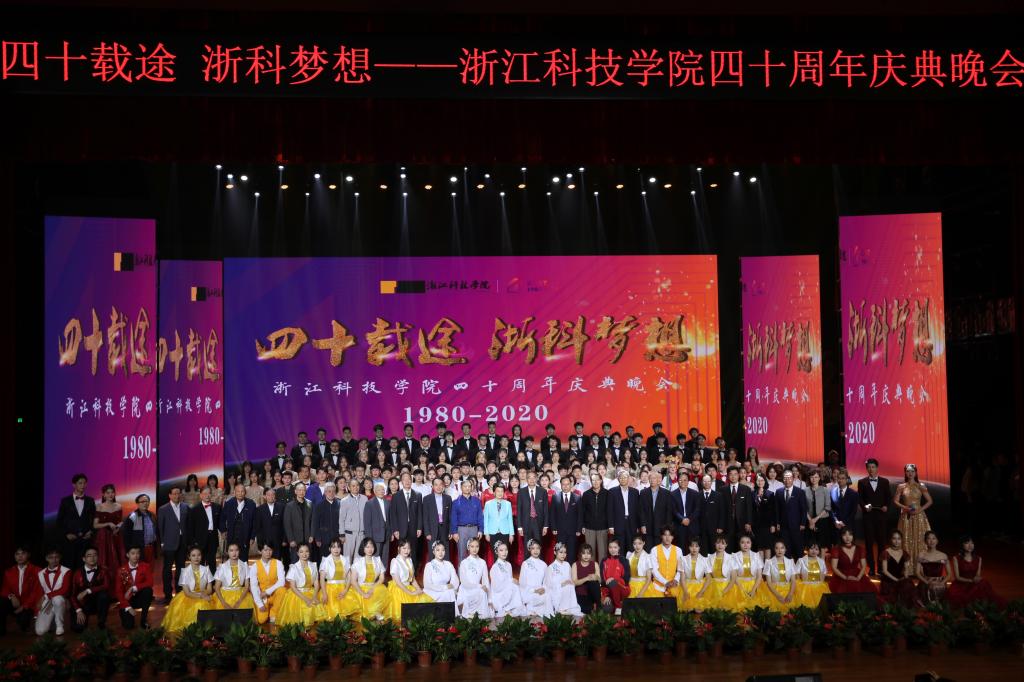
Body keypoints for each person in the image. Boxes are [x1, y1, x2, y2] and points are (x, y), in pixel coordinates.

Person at [162, 547, 212, 633]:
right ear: (189, 557)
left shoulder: (206, 569)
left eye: (199, 555)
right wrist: (201, 596)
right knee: (197, 606)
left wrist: (205, 594)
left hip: (204, 594)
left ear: (201, 556)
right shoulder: (185, 571)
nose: (196, 558)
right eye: (193, 555)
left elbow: (210, 589)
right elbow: (187, 593)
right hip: (189, 596)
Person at [277, 543, 328, 626]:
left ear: (309, 552)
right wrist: (306, 599)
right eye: (301, 552)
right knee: (304, 612)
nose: (304, 554)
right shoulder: (294, 567)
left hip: (311, 592)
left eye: (306, 551)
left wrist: (314, 597)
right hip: (298, 594)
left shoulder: (313, 565)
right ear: (297, 553)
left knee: (317, 606)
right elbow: (293, 587)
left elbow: (316, 584)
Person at [947, 535, 1005, 609]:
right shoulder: (956, 558)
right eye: (967, 543)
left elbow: (978, 574)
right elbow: (957, 577)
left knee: (984, 583)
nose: (970, 545)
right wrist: (971, 580)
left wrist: (977, 579)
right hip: (961, 584)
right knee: (956, 598)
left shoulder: (978, 558)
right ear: (962, 545)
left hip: (974, 583)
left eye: (972, 543)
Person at [857, 459, 891, 576]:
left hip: (881, 516)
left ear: (877, 468)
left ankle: (881, 568)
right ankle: (871, 567)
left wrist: (886, 506)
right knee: (869, 543)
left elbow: (888, 497)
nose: (871, 469)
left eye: (873, 467)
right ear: (867, 469)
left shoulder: (885, 481)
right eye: (869, 467)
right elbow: (860, 499)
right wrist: (865, 507)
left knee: (882, 543)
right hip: (868, 517)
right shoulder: (862, 482)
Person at [895, 464, 933, 569]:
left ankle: (920, 567)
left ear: (915, 473)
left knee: (919, 539)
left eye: (912, 471)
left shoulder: (921, 486)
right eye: (908, 471)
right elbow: (895, 501)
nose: (910, 473)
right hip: (906, 516)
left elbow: (930, 501)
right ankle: (908, 567)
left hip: (919, 517)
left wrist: (920, 509)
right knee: (906, 539)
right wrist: (905, 507)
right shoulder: (901, 486)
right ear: (905, 473)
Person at [387, 539, 433, 621]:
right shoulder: (395, 561)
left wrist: (419, 589)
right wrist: (410, 593)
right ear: (399, 548)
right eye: (404, 548)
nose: (406, 550)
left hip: (408, 587)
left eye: (408, 548)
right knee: (404, 615)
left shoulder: (409, 560)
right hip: (399, 589)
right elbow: (398, 582)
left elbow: (412, 579)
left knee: (425, 600)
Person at [57, 474, 95, 571]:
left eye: (84, 483)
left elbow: (94, 519)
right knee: (69, 566)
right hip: (70, 540)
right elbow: (59, 521)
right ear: (74, 485)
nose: (83, 485)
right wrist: (66, 534)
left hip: (85, 540)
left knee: (84, 568)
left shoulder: (90, 501)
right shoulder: (65, 501)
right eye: (80, 483)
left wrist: (91, 532)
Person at [157, 486, 188, 603]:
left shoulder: (185, 507)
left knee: (181, 569)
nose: (177, 495)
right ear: (169, 495)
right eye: (174, 493)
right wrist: (162, 543)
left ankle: (180, 592)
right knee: (167, 569)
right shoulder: (163, 509)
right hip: (169, 542)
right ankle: (168, 595)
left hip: (183, 542)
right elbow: (160, 528)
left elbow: (188, 525)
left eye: (178, 493)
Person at [1, 546, 41, 636]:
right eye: (17, 554)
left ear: (28, 555)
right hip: (15, 603)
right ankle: (1, 631)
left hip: (29, 605)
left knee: (23, 623)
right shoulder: (9, 572)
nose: (20, 556)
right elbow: (5, 589)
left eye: (23, 553)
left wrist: (24, 606)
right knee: (1, 602)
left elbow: (36, 593)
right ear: (14, 556)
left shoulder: (37, 570)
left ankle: (25, 624)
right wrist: (11, 596)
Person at [318, 537, 361, 619]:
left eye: (338, 547)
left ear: (341, 548)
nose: (336, 549)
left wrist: (345, 590)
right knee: (333, 614)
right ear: (329, 549)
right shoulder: (326, 561)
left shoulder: (345, 559)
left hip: (343, 587)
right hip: (330, 589)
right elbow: (322, 579)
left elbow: (349, 577)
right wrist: (324, 593)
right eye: (333, 547)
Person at [70, 548, 110, 632]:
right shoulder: (77, 573)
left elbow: (106, 586)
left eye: (95, 555)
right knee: (78, 629)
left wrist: (88, 590)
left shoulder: (103, 570)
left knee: (104, 596)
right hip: (82, 604)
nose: (92, 558)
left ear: (98, 557)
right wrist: (78, 610)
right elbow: (72, 594)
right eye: (89, 555)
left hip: (97, 603)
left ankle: (101, 622)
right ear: (84, 559)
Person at [350, 538, 390, 620]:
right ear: (363, 548)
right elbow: (353, 581)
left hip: (373, 586)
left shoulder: (378, 560)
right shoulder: (357, 561)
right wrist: (363, 593)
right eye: (367, 547)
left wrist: (372, 588)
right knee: (363, 600)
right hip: (360, 587)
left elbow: (382, 578)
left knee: (380, 591)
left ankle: (375, 612)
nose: (370, 549)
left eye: (372, 547)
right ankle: (373, 612)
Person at [389, 474, 423, 570]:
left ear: (411, 481)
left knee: (413, 550)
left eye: (409, 479)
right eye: (405, 480)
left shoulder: (418, 495)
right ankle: (401, 571)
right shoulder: (396, 496)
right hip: (400, 529)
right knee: (401, 550)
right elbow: (393, 514)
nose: (407, 481)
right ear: (401, 482)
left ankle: (413, 572)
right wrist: (395, 529)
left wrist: (419, 527)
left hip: (414, 528)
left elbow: (420, 513)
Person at [721, 534, 763, 612]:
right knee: (737, 607)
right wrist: (742, 590)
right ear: (739, 544)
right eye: (742, 542)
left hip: (754, 584)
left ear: (751, 544)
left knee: (756, 607)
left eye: (748, 542)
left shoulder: (756, 556)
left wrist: (753, 590)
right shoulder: (734, 556)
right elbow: (734, 576)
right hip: (738, 584)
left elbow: (759, 576)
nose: (745, 545)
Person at [828, 528, 877, 594]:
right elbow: (834, 567)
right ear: (841, 536)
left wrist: (858, 578)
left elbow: (864, 566)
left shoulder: (860, 549)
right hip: (841, 575)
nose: (847, 537)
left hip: (857, 574)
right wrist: (846, 578)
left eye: (850, 534)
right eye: (844, 535)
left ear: (853, 536)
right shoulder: (836, 549)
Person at [35, 549, 71, 635]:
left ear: (60, 558)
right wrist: (36, 612)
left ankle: (59, 625)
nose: (54, 560)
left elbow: (64, 589)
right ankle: (51, 622)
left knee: (57, 599)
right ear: (46, 558)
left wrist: (46, 596)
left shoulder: (66, 571)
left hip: (61, 600)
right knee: (40, 631)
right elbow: (39, 592)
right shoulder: (40, 573)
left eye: (56, 557)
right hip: (48, 602)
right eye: (51, 557)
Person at [117, 546, 154, 630]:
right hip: (128, 600)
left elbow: (150, 583)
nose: (136, 556)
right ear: (127, 555)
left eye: (138, 553)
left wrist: (133, 588)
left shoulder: (145, 566)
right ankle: (125, 612)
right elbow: (118, 592)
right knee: (128, 626)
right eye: (133, 553)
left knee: (148, 590)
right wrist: (128, 607)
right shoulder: (121, 570)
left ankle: (143, 620)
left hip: (140, 597)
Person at [93, 484, 124, 583]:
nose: (110, 495)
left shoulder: (118, 506)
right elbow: (95, 525)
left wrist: (118, 527)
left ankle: (118, 584)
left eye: (112, 492)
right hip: (104, 538)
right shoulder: (99, 507)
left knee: (118, 559)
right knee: (105, 560)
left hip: (116, 536)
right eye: (108, 493)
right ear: (103, 494)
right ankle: (105, 583)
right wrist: (108, 523)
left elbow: (120, 522)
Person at [213, 542, 255, 614]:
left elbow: (247, 586)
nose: (234, 553)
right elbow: (217, 587)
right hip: (225, 594)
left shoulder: (244, 566)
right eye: (231, 550)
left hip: (241, 594)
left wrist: (239, 601)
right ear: (227, 552)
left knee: (242, 612)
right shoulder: (222, 567)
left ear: (239, 551)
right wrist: (223, 603)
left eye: (236, 550)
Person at [649, 526, 686, 610]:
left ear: (673, 537)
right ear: (661, 536)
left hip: (673, 584)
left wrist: (676, 580)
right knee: (657, 608)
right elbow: (654, 570)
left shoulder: (678, 550)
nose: (667, 537)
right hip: (658, 585)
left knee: (675, 607)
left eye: (670, 535)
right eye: (665, 535)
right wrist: (665, 582)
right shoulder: (654, 550)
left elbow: (680, 569)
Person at [185, 487, 221, 570]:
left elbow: (220, 523)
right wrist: (193, 542)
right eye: (205, 494)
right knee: (200, 562)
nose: (207, 495)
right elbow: (190, 527)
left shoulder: (217, 507)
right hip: (199, 540)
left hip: (213, 538)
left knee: (212, 561)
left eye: (209, 493)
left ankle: (212, 578)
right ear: (201, 495)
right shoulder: (194, 509)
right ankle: (201, 578)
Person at [456, 537, 492, 618]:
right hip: (466, 588)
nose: (474, 549)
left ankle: (478, 614)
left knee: (482, 592)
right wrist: (478, 586)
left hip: (479, 588)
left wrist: (489, 598)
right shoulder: (464, 562)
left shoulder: (482, 562)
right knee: (478, 591)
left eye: (477, 546)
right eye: (472, 546)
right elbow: (463, 581)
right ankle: (469, 613)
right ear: (468, 547)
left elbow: (485, 580)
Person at [879, 530, 917, 608]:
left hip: (900, 579)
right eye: (894, 538)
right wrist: (897, 580)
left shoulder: (904, 553)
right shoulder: (886, 553)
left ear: (901, 540)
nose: (897, 541)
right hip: (889, 581)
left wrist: (905, 578)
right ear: (890, 540)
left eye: (899, 539)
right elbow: (885, 571)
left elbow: (906, 569)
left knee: (908, 585)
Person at [547, 477, 581, 564]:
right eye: (563, 484)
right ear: (560, 485)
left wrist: (578, 529)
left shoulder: (577, 498)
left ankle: (570, 570)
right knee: (560, 552)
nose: (565, 486)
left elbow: (580, 515)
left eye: (567, 484)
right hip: (560, 530)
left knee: (572, 553)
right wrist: (553, 528)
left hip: (573, 531)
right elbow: (552, 514)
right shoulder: (555, 497)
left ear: (571, 484)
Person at [251, 542, 285, 625]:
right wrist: (260, 604)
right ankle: (267, 608)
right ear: (260, 551)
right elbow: (254, 586)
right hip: (262, 596)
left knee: (282, 590)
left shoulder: (278, 563)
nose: (268, 552)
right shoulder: (254, 566)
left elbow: (282, 582)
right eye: (265, 550)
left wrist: (267, 592)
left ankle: (273, 612)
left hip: (274, 594)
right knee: (261, 620)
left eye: (270, 550)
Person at [517, 472, 549, 560]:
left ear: (536, 479)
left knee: (538, 545)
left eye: (533, 477)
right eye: (529, 477)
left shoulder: (543, 491)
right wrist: (519, 526)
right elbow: (519, 510)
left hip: (539, 524)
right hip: (526, 524)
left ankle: (539, 565)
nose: (531, 480)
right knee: (527, 546)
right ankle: (528, 565)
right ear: (526, 479)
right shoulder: (521, 492)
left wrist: (545, 525)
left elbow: (546, 510)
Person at [775, 471, 808, 558]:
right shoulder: (778, 492)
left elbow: (804, 509)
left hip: (797, 525)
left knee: (798, 550)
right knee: (786, 550)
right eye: (785, 478)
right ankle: (788, 566)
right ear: (782, 479)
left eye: (789, 478)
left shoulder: (800, 492)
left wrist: (803, 523)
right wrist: (777, 522)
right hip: (783, 526)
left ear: (793, 479)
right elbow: (777, 509)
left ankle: (799, 566)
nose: (787, 480)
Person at [697, 535, 734, 610]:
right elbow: (708, 577)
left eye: (723, 543)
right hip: (712, 586)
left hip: (726, 587)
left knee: (724, 608)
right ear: (715, 544)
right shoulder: (709, 557)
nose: (720, 545)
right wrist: (702, 591)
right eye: (718, 543)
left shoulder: (731, 558)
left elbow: (733, 579)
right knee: (700, 609)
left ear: (726, 545)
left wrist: (723, 592)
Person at [640, 471, 674, 551]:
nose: (652, 480)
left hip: (661, 527)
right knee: (649, 550)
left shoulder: (666, 493)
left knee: (660, 550)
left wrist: (667, 527)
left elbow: (669, 512)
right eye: (650, 478)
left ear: (658, 480)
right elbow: (641, 510)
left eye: (654, 478)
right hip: (647, 527)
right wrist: (642, 525)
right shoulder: (643, 493)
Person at [489, 541, 525, 617]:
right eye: (501, 550)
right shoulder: (495, 567)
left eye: (506, 550)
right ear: (496, 552)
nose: (504, 552)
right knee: (513, 586)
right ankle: (505, 608)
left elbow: (510, 580)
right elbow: (496, 588)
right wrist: (510, 581)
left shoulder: (509, 565)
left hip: (508, 592)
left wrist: (512, 581)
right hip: (499, 595)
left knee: (517, 586)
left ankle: (512, 607)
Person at [545, 542, 582, 616]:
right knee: (566, 587)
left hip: (568, 589)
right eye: (561, 552)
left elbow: (570, 579)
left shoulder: (567, 564)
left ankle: (569, 607)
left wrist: (570, 582)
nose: (563, 554)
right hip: (556, 591)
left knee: (570, 586)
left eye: (565, 552)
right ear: (555, 552)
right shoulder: (551, 567)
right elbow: (548, 585)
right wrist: (561, 584)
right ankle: (560, 608)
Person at [722, 466, 754, 552]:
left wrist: (749, 522)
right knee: (728, 548)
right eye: (731, 474)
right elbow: (721, 509)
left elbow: (749, 508)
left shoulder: (746, 489)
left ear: (738, 475)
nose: (733, 476)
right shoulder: (722, 490)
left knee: (740, 548)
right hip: (727, 523)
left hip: (742, 523)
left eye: (735, 474)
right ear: (728, 476)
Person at [759, 541, 797, 612]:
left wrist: (790, 594)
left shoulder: (790, 562)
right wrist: (778, 596)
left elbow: (793, 581)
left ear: (785, 549)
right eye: (777, 548)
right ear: (774, 549)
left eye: (782, 548)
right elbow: (768, 582)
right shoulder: (769, 562)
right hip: (774, 590)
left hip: (788, 589)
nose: (780, 550)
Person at [519, 540, 553, 618]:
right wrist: (534, 590)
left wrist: (543, 589)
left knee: (548, 595)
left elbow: (546, 582)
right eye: (533, 548)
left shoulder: (544, 564)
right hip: (529, 592)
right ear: (529, 549)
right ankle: (531, 609)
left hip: (541, 591)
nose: (535, 550)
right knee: (533, 598)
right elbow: (522, 583)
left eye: (538, 548)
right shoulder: (525, 564)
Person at [222, 483, 257, 558]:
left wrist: (252, 537)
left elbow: (255, 522)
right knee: (232, 558)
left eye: (242, 491)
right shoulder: (229, 503)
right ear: (234, 492)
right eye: (238, 491)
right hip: (232, 535)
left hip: (245, 536)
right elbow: (222, 518)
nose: (240, 493)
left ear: (245, 493)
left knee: (243, 558)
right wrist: (223, 530)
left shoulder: (251, 504)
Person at [452, 479, 483, 563]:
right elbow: (453, 518)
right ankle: (461, 571)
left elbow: (480, 516)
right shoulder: (456, 502)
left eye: (469, 486)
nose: (467, 488)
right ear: (461, 488)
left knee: (474, 552)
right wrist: (454, 532)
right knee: (462, 553)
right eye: (465, 486)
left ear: (472, 487)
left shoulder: (477, 501)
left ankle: (474, 571)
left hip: (474, 529)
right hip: (461, 530)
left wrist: (480, 530)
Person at [422, 478, 452, 562]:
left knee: (445, 551)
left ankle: (446, 569)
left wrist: (450, 531)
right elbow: (425, 517)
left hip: (445, 529)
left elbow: (450, 516)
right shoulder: (427, 499)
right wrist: (427, 532)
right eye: (436, 485)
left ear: (443, 486)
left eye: (440, 484)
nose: (438, 487)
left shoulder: (448, 498)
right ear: (432, 486)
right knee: (433, 552)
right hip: (432, 530)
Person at [284, 482, 315, 564]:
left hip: (308, 538)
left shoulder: (309, 503)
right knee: (295, 562)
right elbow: (287, 524)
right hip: (295, 539)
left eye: (303, 490)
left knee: (308, 561)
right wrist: (291, 539)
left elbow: (312, 521)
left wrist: (312, 535)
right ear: (295, 491)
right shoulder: (289, 506)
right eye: (299, 490)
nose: (301, 492)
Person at [255, 488, 287, 564]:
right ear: (264, 496)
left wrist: (284, 539)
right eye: (268, 495)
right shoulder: (259, 509)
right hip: (265, 542)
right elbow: (258, 528)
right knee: (266, 562)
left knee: (278, 562)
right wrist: (260, 544)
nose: (271, 497)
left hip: (278, 540)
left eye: (273, 495)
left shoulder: (282, 507)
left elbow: (285, 524)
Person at [916, 531, 949, 605]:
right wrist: (927, 582)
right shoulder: (921, 555)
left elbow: (949, 573)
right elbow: (917, 573)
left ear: (937, 541)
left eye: (934, 538)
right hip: (926, 582)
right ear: (925, 541)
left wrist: (941, 583)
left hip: (940, 583)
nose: (931, 541)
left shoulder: (943, 555)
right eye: (929, 539)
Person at [830, 469, 859, 553]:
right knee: (837, 550)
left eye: (843, 478)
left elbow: (853, 511)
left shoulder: (854, 494)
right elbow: (831, 509)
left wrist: (844, 522)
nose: (840, 480)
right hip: (836, 526)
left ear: (847, 479)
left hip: (848, 526)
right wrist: (836, 521)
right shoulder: (832, 492)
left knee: (848, 550)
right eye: (839, 478)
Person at [671, 471, 701, 552]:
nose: (683, 482)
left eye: (685, 480)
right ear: (677, 481)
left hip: (692, 525)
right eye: (680, 480)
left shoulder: (695, 494)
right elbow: (673, 510)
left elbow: (697, 509)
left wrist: (689, 519)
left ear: (688, 481)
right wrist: (682, 519)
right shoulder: (672, 494)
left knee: (692, 549)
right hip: (679, 525)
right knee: (680, 550)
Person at [123, 494, 159, 564]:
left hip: (151, 547)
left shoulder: (152, 515)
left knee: (151, 568)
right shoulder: (134, 516)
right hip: (139, 549)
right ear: (137, 503)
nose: (145, 503)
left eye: (147, 501)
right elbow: (127, 535)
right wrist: (129, 550)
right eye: (142, 502)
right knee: (140, 568)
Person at [608, 470, 640, 546]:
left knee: (631, 547)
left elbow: (637, 510)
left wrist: (638, 525)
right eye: (621, 477)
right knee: (620, 546)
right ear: (618, 479)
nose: (623, 479)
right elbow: (609, 510)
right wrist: (611, 526)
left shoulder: (635, 492)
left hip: (632, 523)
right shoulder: (612, 491)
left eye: (625, 477)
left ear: (628, 478)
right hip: (618, 523)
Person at [363, 484, 392, 569]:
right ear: (375, 492)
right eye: (379, 490)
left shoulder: (388, 502)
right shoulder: (369, 503)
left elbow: (390, 519)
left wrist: (391, 533)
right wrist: (369, 538)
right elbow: (367, 522)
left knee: (385, 557)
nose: (381, 491)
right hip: (375, 536)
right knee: (375, 557)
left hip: (386, 534)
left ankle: (383, 575)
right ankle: (375, 575)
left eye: (383, 490)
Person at [339, 479, 367, 565]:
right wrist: (342, 534)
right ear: (349, 488)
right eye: (353, 486)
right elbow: (341, 519)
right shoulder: (344, 501)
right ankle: (347, 574)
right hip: (349, 534)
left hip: (361, 534)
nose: (355, 487)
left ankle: (356, 574)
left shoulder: (364, 498)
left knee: (359, 559)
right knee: (347, 559)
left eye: (357, 485)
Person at [794, 543, 830, 608]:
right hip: (804, 587)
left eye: (816, 549)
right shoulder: (801, 560)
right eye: (811, 548)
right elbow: (796, 573)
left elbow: (824, 573)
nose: (814, 551)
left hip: (818, 587)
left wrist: (820, 584)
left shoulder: (821, 561)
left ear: (819, 551)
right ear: (807, 549)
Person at [423, 540, 459, 604]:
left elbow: (455, 580)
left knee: (450, 592)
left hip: (446, 591)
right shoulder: (429, 565)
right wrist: (444, 587)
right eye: (438, 550)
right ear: (433, 552)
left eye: (443, 550)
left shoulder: (448, 564)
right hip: (433, 592)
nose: (440, 553)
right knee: (447, 593)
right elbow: (427, 585)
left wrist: (452, 587)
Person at [750, 473, 777, 560]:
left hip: (767, 525)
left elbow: (773, 511)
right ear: (756, 482)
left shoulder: (770, 494)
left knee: (767, 546)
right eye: (758, 480)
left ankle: (767, 567)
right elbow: (750, 510)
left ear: (765, 481)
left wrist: (773, 525)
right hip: (756, 525)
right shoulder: (752, 494)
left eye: (762, 480)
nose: (760, 482)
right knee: (759, 546)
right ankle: (761, 567)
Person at [600, 538, 631, 614]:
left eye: (615, 547)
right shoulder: (604, 561)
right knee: (607, 608)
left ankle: (618, 607)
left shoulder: (624, 560)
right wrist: (606, 595)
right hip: (609, 592)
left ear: (619, 548)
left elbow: (626, 580)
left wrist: (614, 579)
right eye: (610, 547)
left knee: (612, 582)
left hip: (623, 590)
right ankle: (615, 604)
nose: (612, 550)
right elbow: (603, 581)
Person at [804, 469, 833, 550]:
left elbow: (828, 507)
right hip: (809, 520)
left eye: (816, 477)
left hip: (822, 520)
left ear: (819, 478)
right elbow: (803, 507)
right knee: (810, 543)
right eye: (812, 477)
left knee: (822, 543)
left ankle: (822, 558)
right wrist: (810, 520)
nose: (814, 479)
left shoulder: (825, 490)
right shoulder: (805, 490)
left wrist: (816, 519)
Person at [571, 543, 602, 614]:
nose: (586, 556)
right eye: (584, 553)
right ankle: (591, 607)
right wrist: (586, 578)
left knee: (593, 582)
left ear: (591, 555)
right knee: (586, 611)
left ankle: (598, 605)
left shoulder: (595, 564)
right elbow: (574, 582)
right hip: (580, 594)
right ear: (580, 554)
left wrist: (595, 577)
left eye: (588, 553)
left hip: (591, 595)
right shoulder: (575, 565)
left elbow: (600, 580)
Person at [698, 474, 725, 554]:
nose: (706, 483)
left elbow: (722, 512)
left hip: (714, 528)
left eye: (708, 481)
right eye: (704, 481)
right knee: (703, 551)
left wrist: (720, 526)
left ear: (711, 482)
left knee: (713, 550)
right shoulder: (697, 495)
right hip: (701, 528)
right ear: (702, 482)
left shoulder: (718, 495)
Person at [626, 535, 656, 600]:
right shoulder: (629, 555)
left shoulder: (647, 557)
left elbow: (649, 578)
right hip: (630, 585)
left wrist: (641, 593)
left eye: (639, 543)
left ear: (644, 543)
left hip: (643, 586)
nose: (637, 546)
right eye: (635, 544)